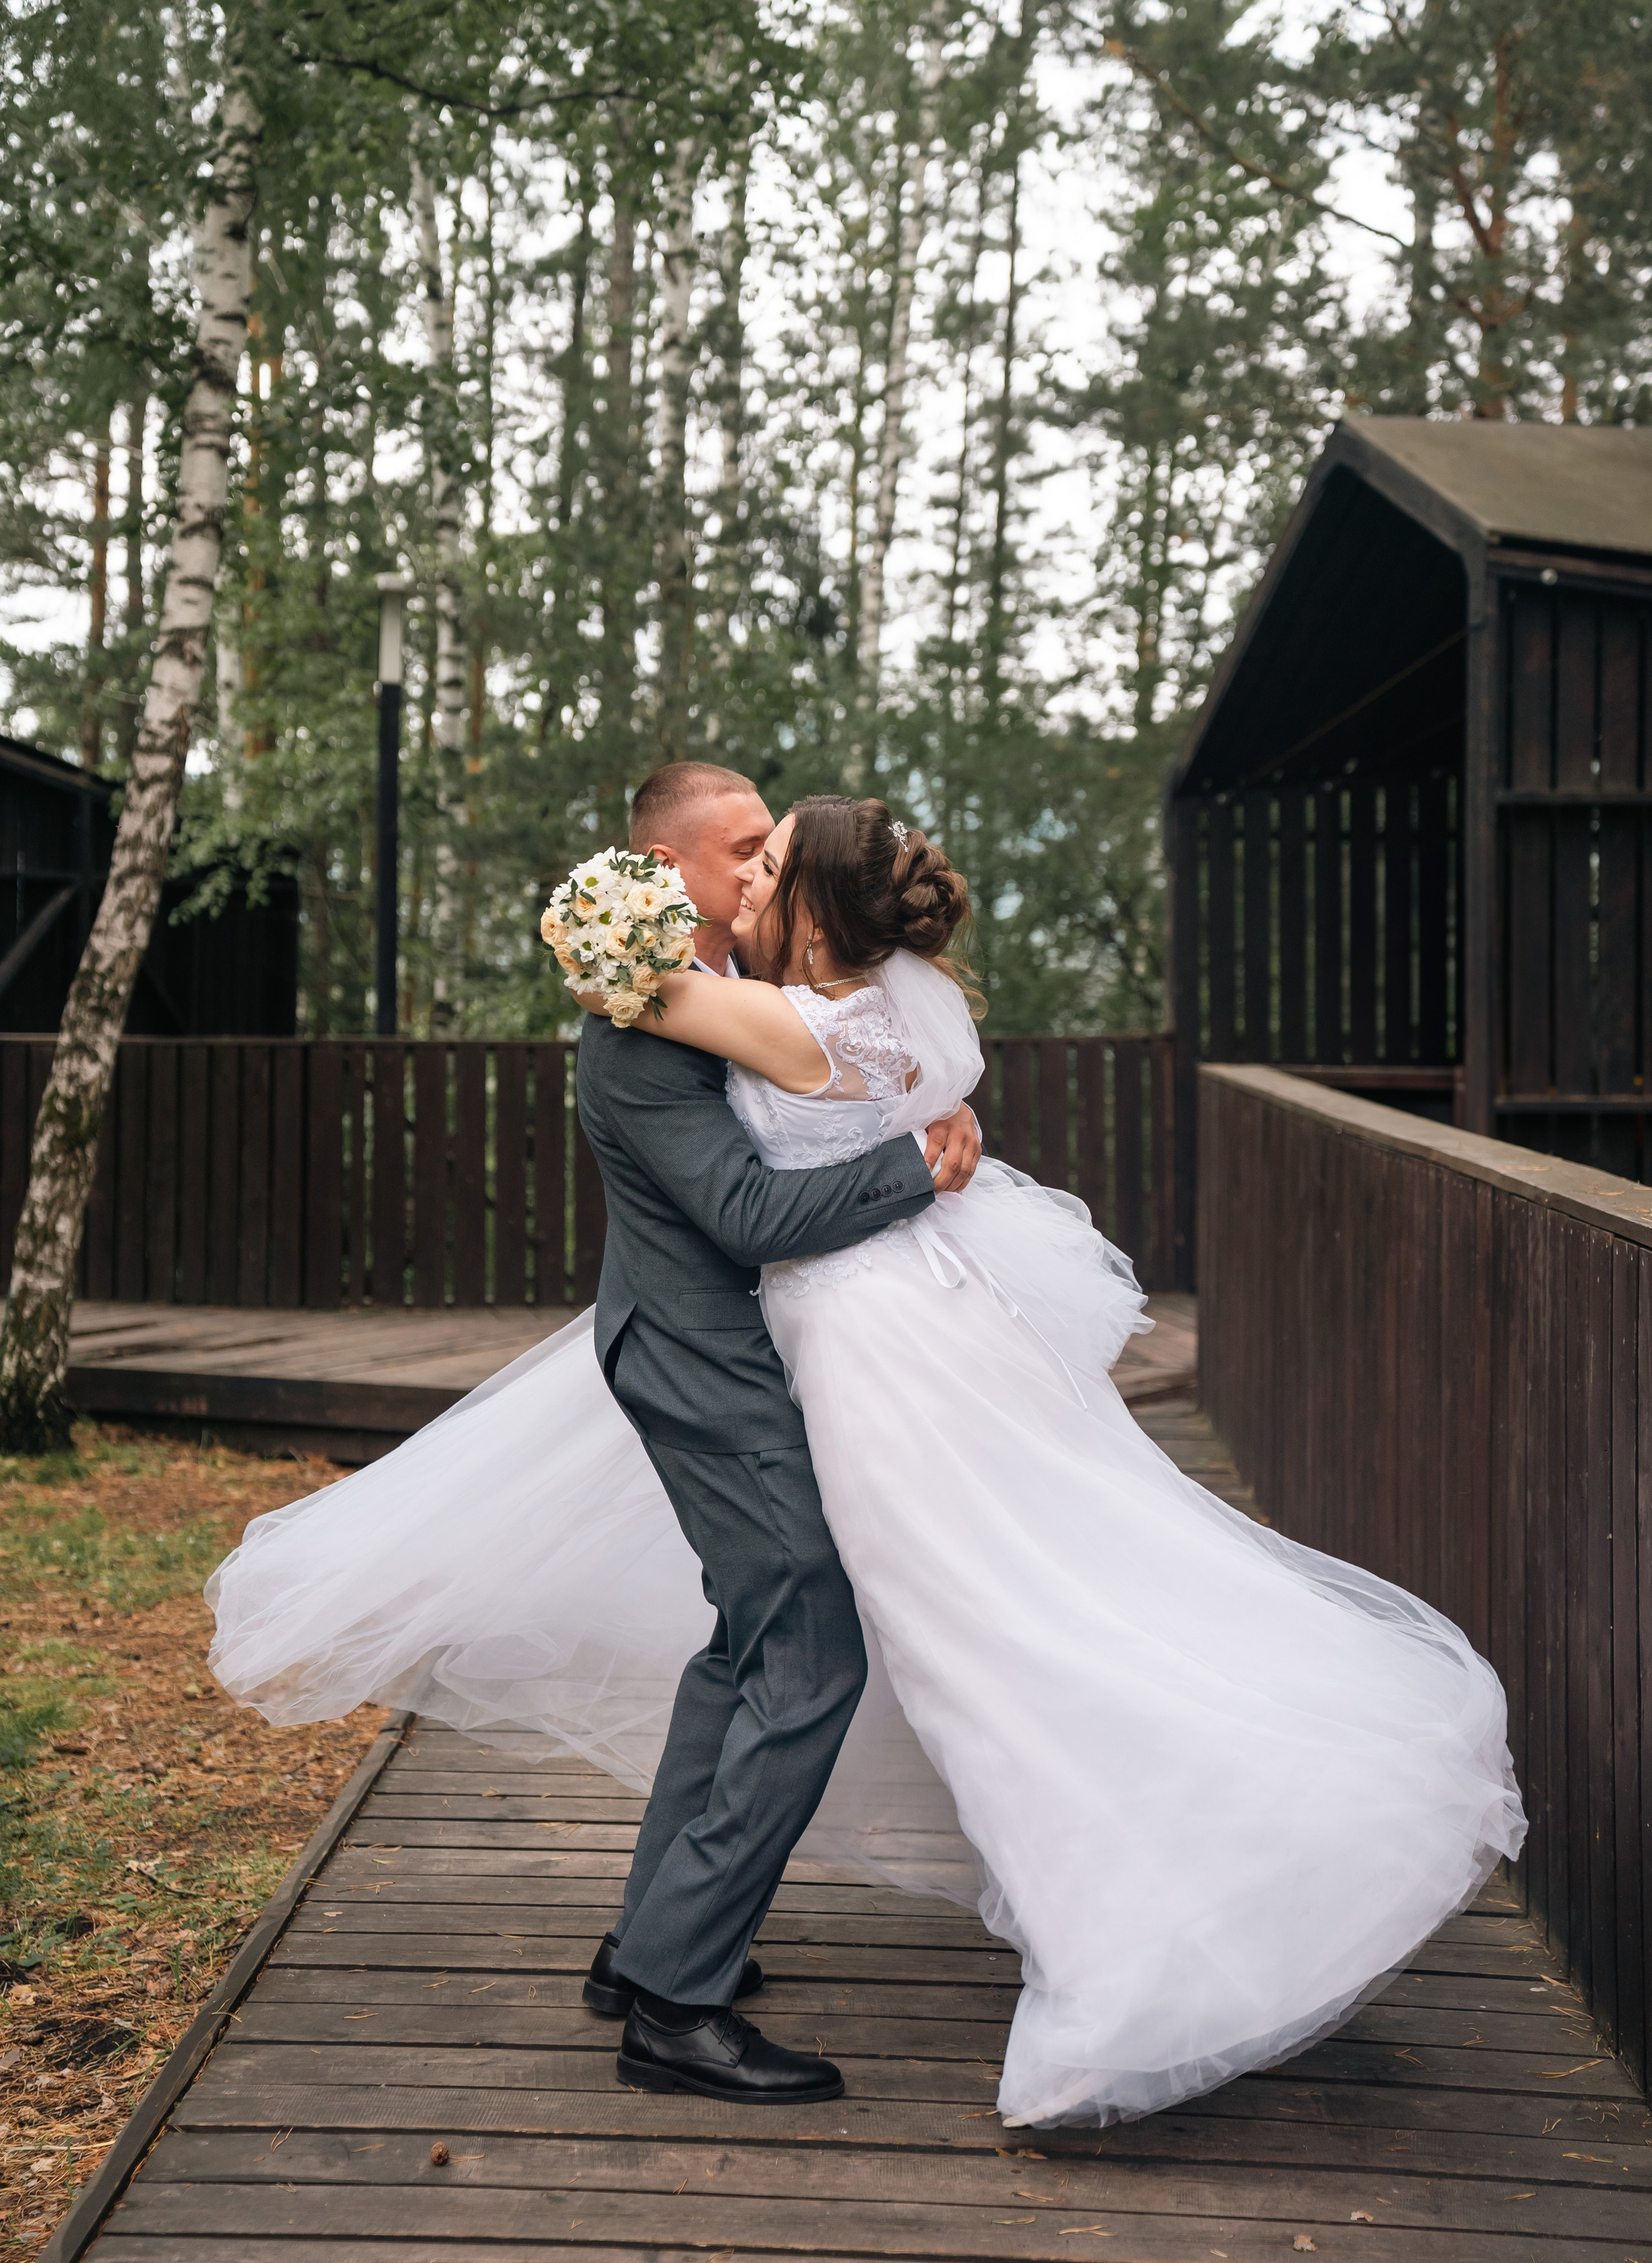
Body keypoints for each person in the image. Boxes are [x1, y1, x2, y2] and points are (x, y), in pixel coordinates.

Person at [207, 786, 1525, 2132]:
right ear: (672, 870)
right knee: (803, 1648)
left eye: (773, 854)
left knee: (787, 1640)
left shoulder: (754, 995)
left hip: (844, 1354)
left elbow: (816, 1084)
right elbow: (736, 1209)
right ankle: (673, 2000)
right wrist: (915, 1161)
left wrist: (895, 1130)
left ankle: (658, 1956)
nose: (753, 871)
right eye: (743, 851)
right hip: (717, 1359)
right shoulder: (659, 1019)